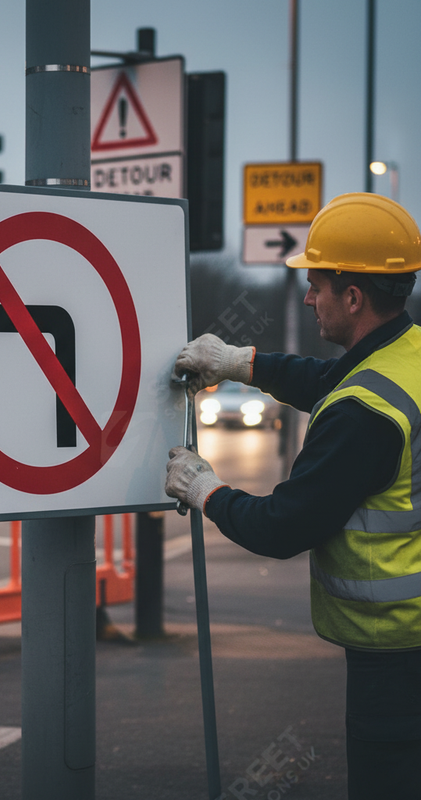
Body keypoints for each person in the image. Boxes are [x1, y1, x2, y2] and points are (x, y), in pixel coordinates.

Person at [165, 192, 421, 800]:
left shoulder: (362, 414)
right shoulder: (405, 354)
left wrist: (205, 489)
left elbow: (282, 527)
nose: (308, 299)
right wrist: (239, 362)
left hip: (396, 653)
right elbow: (326, 378)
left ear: (352, 297)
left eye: (316, 286)